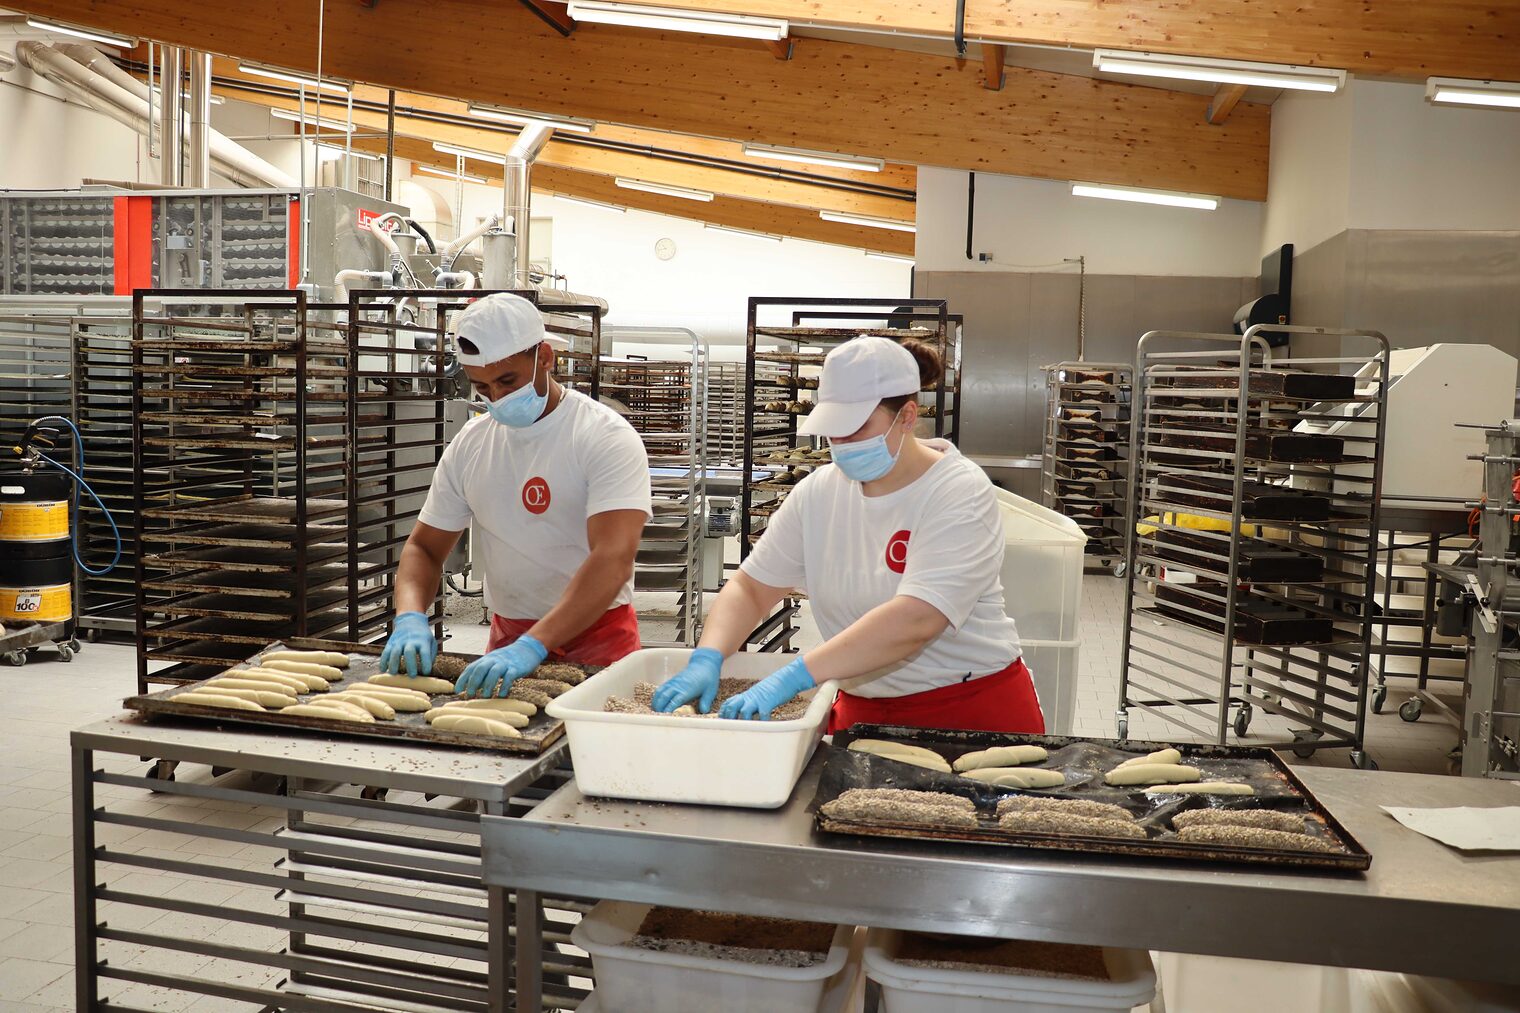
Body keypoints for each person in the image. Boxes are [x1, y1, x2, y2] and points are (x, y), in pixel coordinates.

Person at [652, 335, 1043, 734]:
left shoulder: (957, 491)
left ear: (906, 417)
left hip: (970, 710)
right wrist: (709, 655)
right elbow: (751, 588)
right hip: (862, 709)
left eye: (855, 429)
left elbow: (917, 619)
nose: (840, 444)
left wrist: (796, 675)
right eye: (833, 430)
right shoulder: (819, 492)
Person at [379, 292, 651, 697]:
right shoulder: (472, 444)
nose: (497, 398)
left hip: (599, 641)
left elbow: (612, 560)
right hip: (508, 640)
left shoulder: (602, 437)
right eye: (482, 387)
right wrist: (410, 617)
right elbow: (425, 548)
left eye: (507, 381)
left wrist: (535, 645)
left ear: (544, 356)